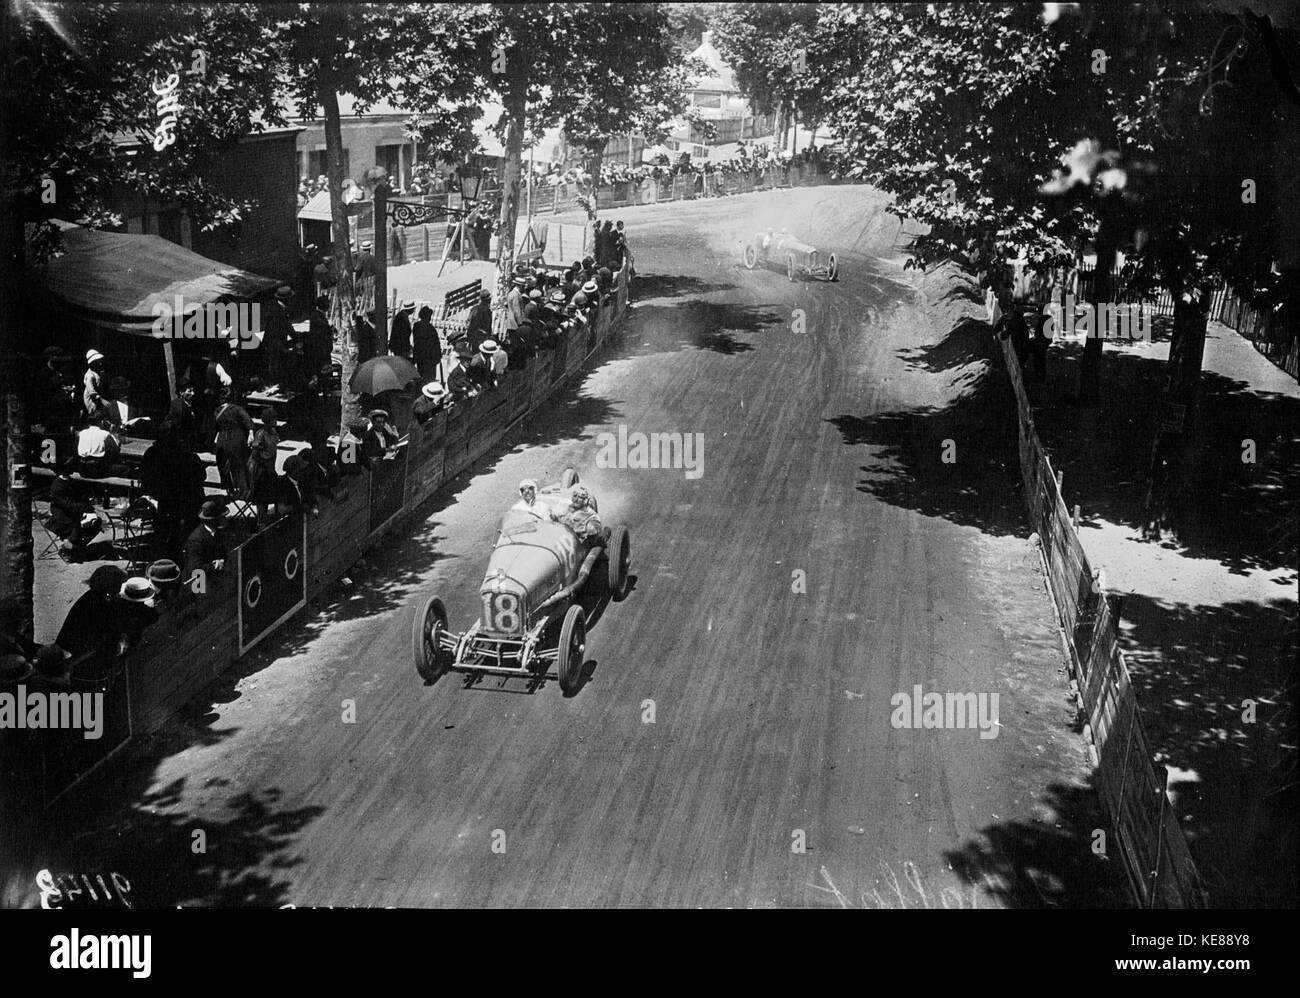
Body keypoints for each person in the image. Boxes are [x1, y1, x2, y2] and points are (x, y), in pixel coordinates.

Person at [139, 425, 206, 558]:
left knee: (166, 523)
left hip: (162, 498)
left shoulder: (152, 453)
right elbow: (201, 476)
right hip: (178, 500)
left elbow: (144, 475)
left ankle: (166, 547)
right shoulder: (185, 455)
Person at [55, 565, 128, 662]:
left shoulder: (97, 595)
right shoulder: (94, 603)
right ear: (108, 585)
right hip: (76, 650)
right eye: (118, 583)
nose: (120, 586)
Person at [47, 458, 102, 559]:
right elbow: (67, 505)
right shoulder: (57, 486)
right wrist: (84, 507)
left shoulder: (70, 482)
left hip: (73, 512)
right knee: (79, 524)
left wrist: (87, 502)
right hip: (62, 516)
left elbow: (79, 497)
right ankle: (69, 548)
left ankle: (75, 547)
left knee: (96, 522)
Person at [212, 388, 254, 498]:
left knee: (224, 465)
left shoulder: (216, 411)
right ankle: (244, 490)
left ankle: (229, 490)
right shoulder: (237, 409)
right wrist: (250, 433)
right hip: (237, 439)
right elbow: (247, 420)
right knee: (240, 464)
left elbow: (214, 427)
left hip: (222, 441)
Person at [247, 406, 281, 525]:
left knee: (271, 494)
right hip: (260, 470)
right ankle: (260, 523)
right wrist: (266, 467)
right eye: (273, 419)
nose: (275, 422)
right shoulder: (261, 434)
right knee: (262, 497)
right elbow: (256, 454)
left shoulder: (273, 432)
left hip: (270, 467)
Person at [183, 499, 229, 579]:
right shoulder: (196, 540)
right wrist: (214, 566)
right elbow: (194, 570)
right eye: (222, 517)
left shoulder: (218, 532)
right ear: (213, 521)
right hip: (199, 585)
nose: (225, 519)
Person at [163, 377, 200, 453]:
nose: (193, 394)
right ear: (181, 392)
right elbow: (179, 429)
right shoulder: (180, 407)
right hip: (181, 447)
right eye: (189, 391)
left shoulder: (177, 403)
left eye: (193, 391)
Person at [82, 349, 116, 426]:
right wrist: (102, 400)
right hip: (93, 400)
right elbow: (92, 392)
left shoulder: (99, 372)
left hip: (99, 397)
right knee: (96, 414)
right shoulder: (90, 375)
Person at [412, 305, 441, 384]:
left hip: (420, 358)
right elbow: (434, 345)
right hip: (429, 359)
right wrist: (437, 357)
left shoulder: (416, 327)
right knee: (429, 379)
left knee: (421, 378)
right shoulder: (430, 329)